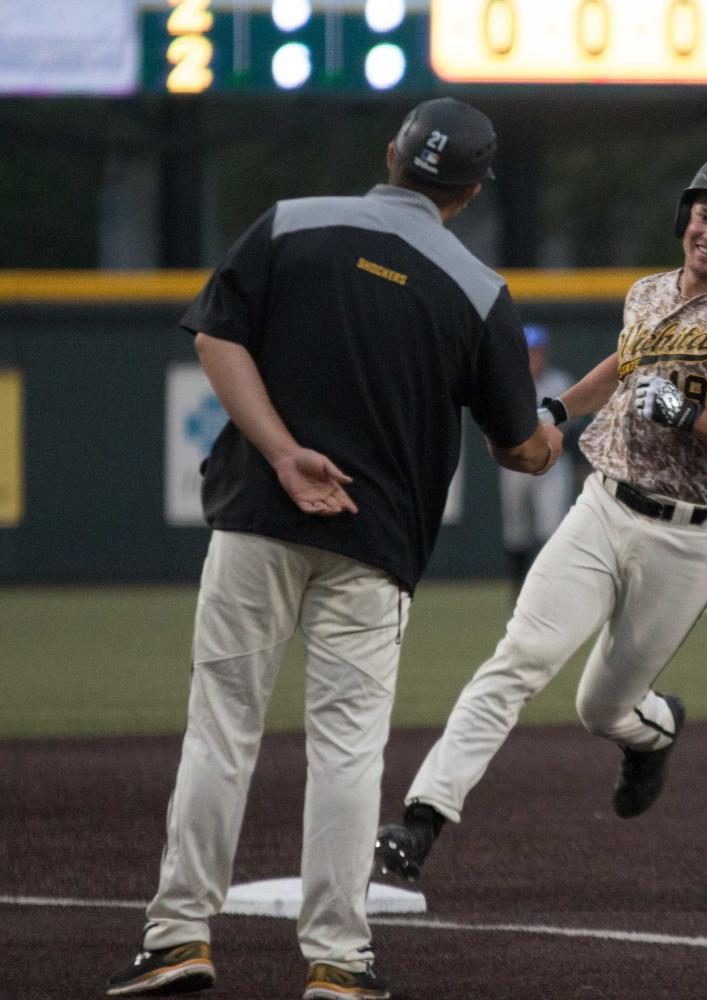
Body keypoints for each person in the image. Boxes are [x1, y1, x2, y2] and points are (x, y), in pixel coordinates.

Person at [105, 98, 562, 1000]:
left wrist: (280, 453)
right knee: (347, 751)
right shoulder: (477, 290)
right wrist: (552, 424)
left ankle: (177, 938)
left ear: (391, 154)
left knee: (220, 730)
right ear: (470, 191)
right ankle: (337, 962)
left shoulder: (290, 225)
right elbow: (520, 450)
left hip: (257, 515)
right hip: (373, 539)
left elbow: (217, 336)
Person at [375, 154, 707, 881]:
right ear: (685, 218)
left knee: (601, 710)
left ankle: (653, 732)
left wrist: (691, 416)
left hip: (690, 539)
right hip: (602, 508)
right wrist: (557, 407)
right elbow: (627, 361)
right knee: (518, 660)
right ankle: (422, 819)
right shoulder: (645, 292)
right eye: (704, 215)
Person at [499, 323, 576, 595]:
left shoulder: (559, 382)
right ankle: (519, 591)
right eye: (529, 351)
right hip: (516, 463)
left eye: (538, 351)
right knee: (516, 529)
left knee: (552, 527)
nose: (534, 356)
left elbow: (564, 428)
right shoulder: (509, 382)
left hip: (552, 462)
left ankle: (550, 589)